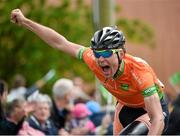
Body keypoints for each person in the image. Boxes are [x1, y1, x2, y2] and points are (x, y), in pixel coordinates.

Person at [10, 9, 169, 135]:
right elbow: (59, 43)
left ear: (120, 54)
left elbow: (157, 118)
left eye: (106, 53)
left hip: (152, 110)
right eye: (97, 53)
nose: (100, 59)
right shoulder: (93, 59)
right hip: (125, 107)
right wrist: (25, 21)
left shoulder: (139, 71)